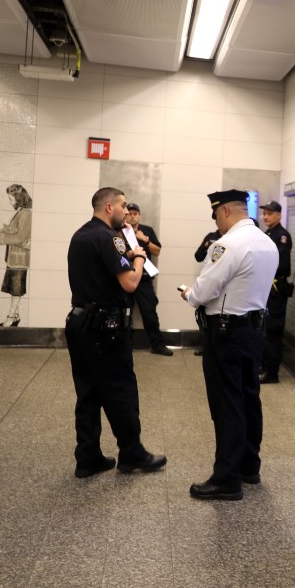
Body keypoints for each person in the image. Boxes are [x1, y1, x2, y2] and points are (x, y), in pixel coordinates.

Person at [180, 189, 278, 500]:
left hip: (226, 334)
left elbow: (204, 290)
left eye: (216, 215)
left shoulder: (227, 245)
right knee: (249, 398)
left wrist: (188, 294)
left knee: (227, 404)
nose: (217, 223)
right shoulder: (267, 243)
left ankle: (226, 478)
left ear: (223, 212)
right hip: (253, 331)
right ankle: (249, 466)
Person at [65, 186, 167, 479]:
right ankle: (132, 452)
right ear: (109, 207)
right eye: (123, 206)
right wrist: (137, 256)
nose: (126, 212)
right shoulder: (110, 238)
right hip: (105, 329)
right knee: (120, 389)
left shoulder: (81, 234)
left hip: (80, 323)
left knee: (88, 392)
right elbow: (130, 283)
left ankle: (87, 457)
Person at [123, 203, 172, 356]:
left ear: (139, 215)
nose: (132, 215)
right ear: (125, 215)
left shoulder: (147, 230)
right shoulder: (119, 230)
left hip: (144, 279)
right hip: (125, 276)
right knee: (124, 312)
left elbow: (157, 251)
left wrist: (145, 239)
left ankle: (157, 345)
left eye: (135, 213)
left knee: (149, 312)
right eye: (129, 213)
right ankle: (124, 346)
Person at [0, 184, 31, 327]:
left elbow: (20, 238)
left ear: (19, 199)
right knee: (13, 288)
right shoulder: (21, 211)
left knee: (16, 289)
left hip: (20, 258)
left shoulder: (27, 213)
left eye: (11, 199)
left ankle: (11, 317)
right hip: (14, 258)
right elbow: (13, 229)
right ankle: (15, 316)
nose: (10, 201)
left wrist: (2, 238)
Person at [258, 200, 292, 384]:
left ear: (279, 215)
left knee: (273, 330)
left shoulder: (282, 236)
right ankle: (263, 365)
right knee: (264, 328)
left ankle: (272, 372)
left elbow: (277, 263)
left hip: (276, 289)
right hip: (266, 288)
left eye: (269, 214)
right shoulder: (268, 233)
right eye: (264, 213)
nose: (265, 217)